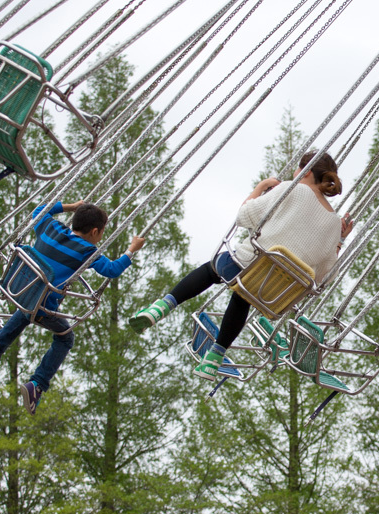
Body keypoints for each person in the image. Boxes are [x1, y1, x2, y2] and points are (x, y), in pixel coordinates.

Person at [128, 150, 354, 380]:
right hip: (276, 294)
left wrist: (263, 186)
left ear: (305, 171)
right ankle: (214, 358)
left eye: (298, 168)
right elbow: (325, 275)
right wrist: (340, 241)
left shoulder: (294, 188)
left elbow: (245, 216)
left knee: (213, 268)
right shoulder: (335, 225)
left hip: (244, 265)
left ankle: (162, 307)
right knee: (244, 295)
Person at [0, 200, 146, 415]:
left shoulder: (50, 227)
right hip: (42, 306)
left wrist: (71, 206)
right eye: (102, 232)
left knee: (28, 308)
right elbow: (112, 270)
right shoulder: (87, 251)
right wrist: (131, 250)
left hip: (19, 288)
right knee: (66, 338)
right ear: (95, 231)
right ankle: (37, 384)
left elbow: (39, 210)